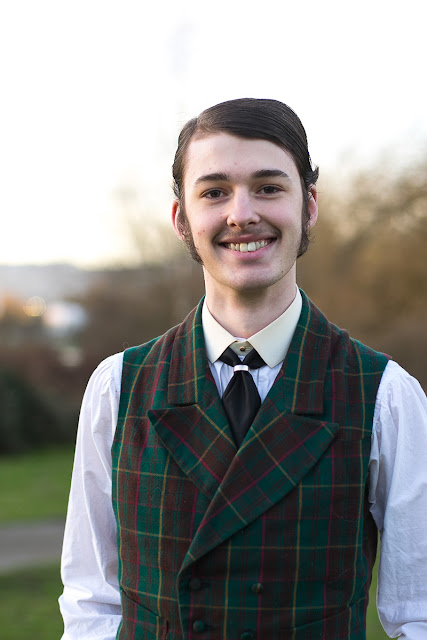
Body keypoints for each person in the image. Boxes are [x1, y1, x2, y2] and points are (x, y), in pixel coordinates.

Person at [59, 98, 427, 640]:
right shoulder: (117, 387)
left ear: (309, 206)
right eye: (214, 192)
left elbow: (418, 613)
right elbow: (91, 603)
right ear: (182, 219)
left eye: (268, 187)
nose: (242, 214)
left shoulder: (386, 395)